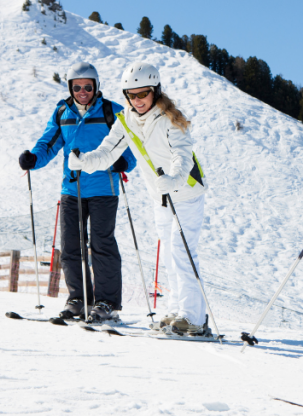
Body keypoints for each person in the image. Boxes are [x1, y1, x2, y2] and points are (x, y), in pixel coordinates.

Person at [69, 62, 210, 335]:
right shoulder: (126, 120)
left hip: (187, 193)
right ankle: (176, 311)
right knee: (169, 255)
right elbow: (107, 152)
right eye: (131, 95)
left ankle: (194, 318)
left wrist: (174, 178)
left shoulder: (171, 118)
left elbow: (183, 156)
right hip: (161, 197)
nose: (137, 100)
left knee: (183, 253)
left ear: (155, 91)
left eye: (142, 93)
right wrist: (83, 161)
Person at [18, 62, 137, 323]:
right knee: (70, 246)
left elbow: (129, 151)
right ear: (71, 88)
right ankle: (78, 300)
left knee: (102, 245)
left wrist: (123, 163)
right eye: (77, 87)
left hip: (103, 189)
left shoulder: (112, 112)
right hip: (71, 189)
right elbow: (48, 144)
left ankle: (106, 303)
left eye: (87, 86)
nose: (83, 91)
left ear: (95, 87)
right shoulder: (63, 112)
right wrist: (32, 159)